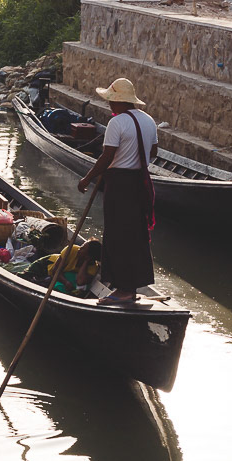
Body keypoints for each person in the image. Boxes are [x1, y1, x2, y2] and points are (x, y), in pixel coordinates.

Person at [77, 78, 157, 306]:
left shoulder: (117, 123)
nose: (110, 106)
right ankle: (130, 286)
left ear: (121, 102)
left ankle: (124, 290)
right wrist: (133, 160)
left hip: (120, 184)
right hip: (140, 182)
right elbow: (153, 152)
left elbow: (107, 156)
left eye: (112, 101)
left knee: (117, 236)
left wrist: (87, 178)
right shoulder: (149, 121)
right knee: (136, 235)